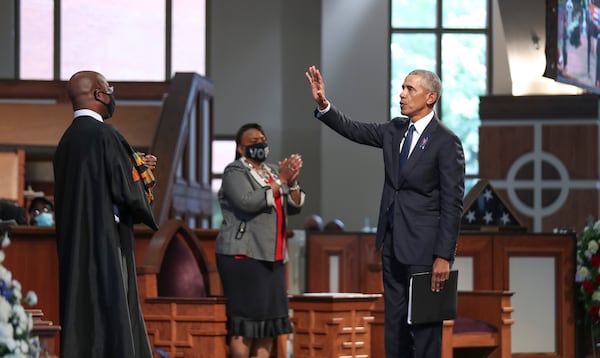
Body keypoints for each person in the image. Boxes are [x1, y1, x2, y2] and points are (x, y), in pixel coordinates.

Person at [305, 65, 465, 357]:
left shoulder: (446, 141)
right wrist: (323, 105)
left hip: (425, 251)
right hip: (392, 245)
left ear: (430, 97)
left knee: (426, 330)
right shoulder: (395, 130)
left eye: (410, 89)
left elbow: (453, 203)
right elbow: (354, 129)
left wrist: (444, 255)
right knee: (395, 328)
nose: (402, 94)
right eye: (402, 88)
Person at [53, 70, 159, 358]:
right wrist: (143, 174)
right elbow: (128, 192)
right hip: (105, 243)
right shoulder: (107, 135)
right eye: (109, 88)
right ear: (99, 94)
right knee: (112, 314)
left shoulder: (66, 142)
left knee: (82, 315)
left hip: (74, 245)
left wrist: (133, 167)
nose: (113, 95)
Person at [215, 123, 305, 358]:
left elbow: (294, 206)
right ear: (241, 148)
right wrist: (281, 181)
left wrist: (292, 180)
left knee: (267, 324)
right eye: (253, 141)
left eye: (262, 139)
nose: (260, 144)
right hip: (244, 256)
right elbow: (247, 202)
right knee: (246, 325)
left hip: (272, 257)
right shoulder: (235, 171)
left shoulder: (273, 172)